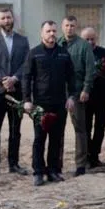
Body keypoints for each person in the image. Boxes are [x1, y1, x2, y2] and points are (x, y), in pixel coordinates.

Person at [23, 20, 77, 186]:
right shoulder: (34, 53)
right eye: (48, 31)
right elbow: (27, 77)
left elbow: (71, 77)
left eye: (54, 31)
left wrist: (71, 97)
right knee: (40, 138)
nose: (52, 34)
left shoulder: (63, 53)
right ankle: (38, 172)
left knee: (56, 138)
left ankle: (54, 170)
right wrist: (27, 100)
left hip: (59, 103)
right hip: (40, 104)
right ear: (42, 34)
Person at [0, 8, 30, 178]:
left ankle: (14, 164)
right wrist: (5, 80)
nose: (6, 20)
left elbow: (26, 64)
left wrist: (15, 79)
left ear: (13, 19)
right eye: (3, 18)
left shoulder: (23, 41)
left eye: (8, 17)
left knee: (15, 129)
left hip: (16, 91)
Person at [59, 15, 98, 177]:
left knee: (80, 129)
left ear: (76, 27)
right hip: (59, 93)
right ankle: (56, 164)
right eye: (67, 25)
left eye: (72, 26)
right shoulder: (57, 44)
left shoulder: (83, 46)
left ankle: (81, 164)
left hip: (77, 93)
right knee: (57, 130)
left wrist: (86, 89)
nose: (69, 28)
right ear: (63, 27)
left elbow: (91, 69)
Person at [83, 27, 105, 169]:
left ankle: (95, 155)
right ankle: (87, 156)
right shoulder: (80, 53)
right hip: (86, 97)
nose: (90, 42)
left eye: (92, 39)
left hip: (103, 97)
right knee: (86, 127)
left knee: (100, 127)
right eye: (87, 39)